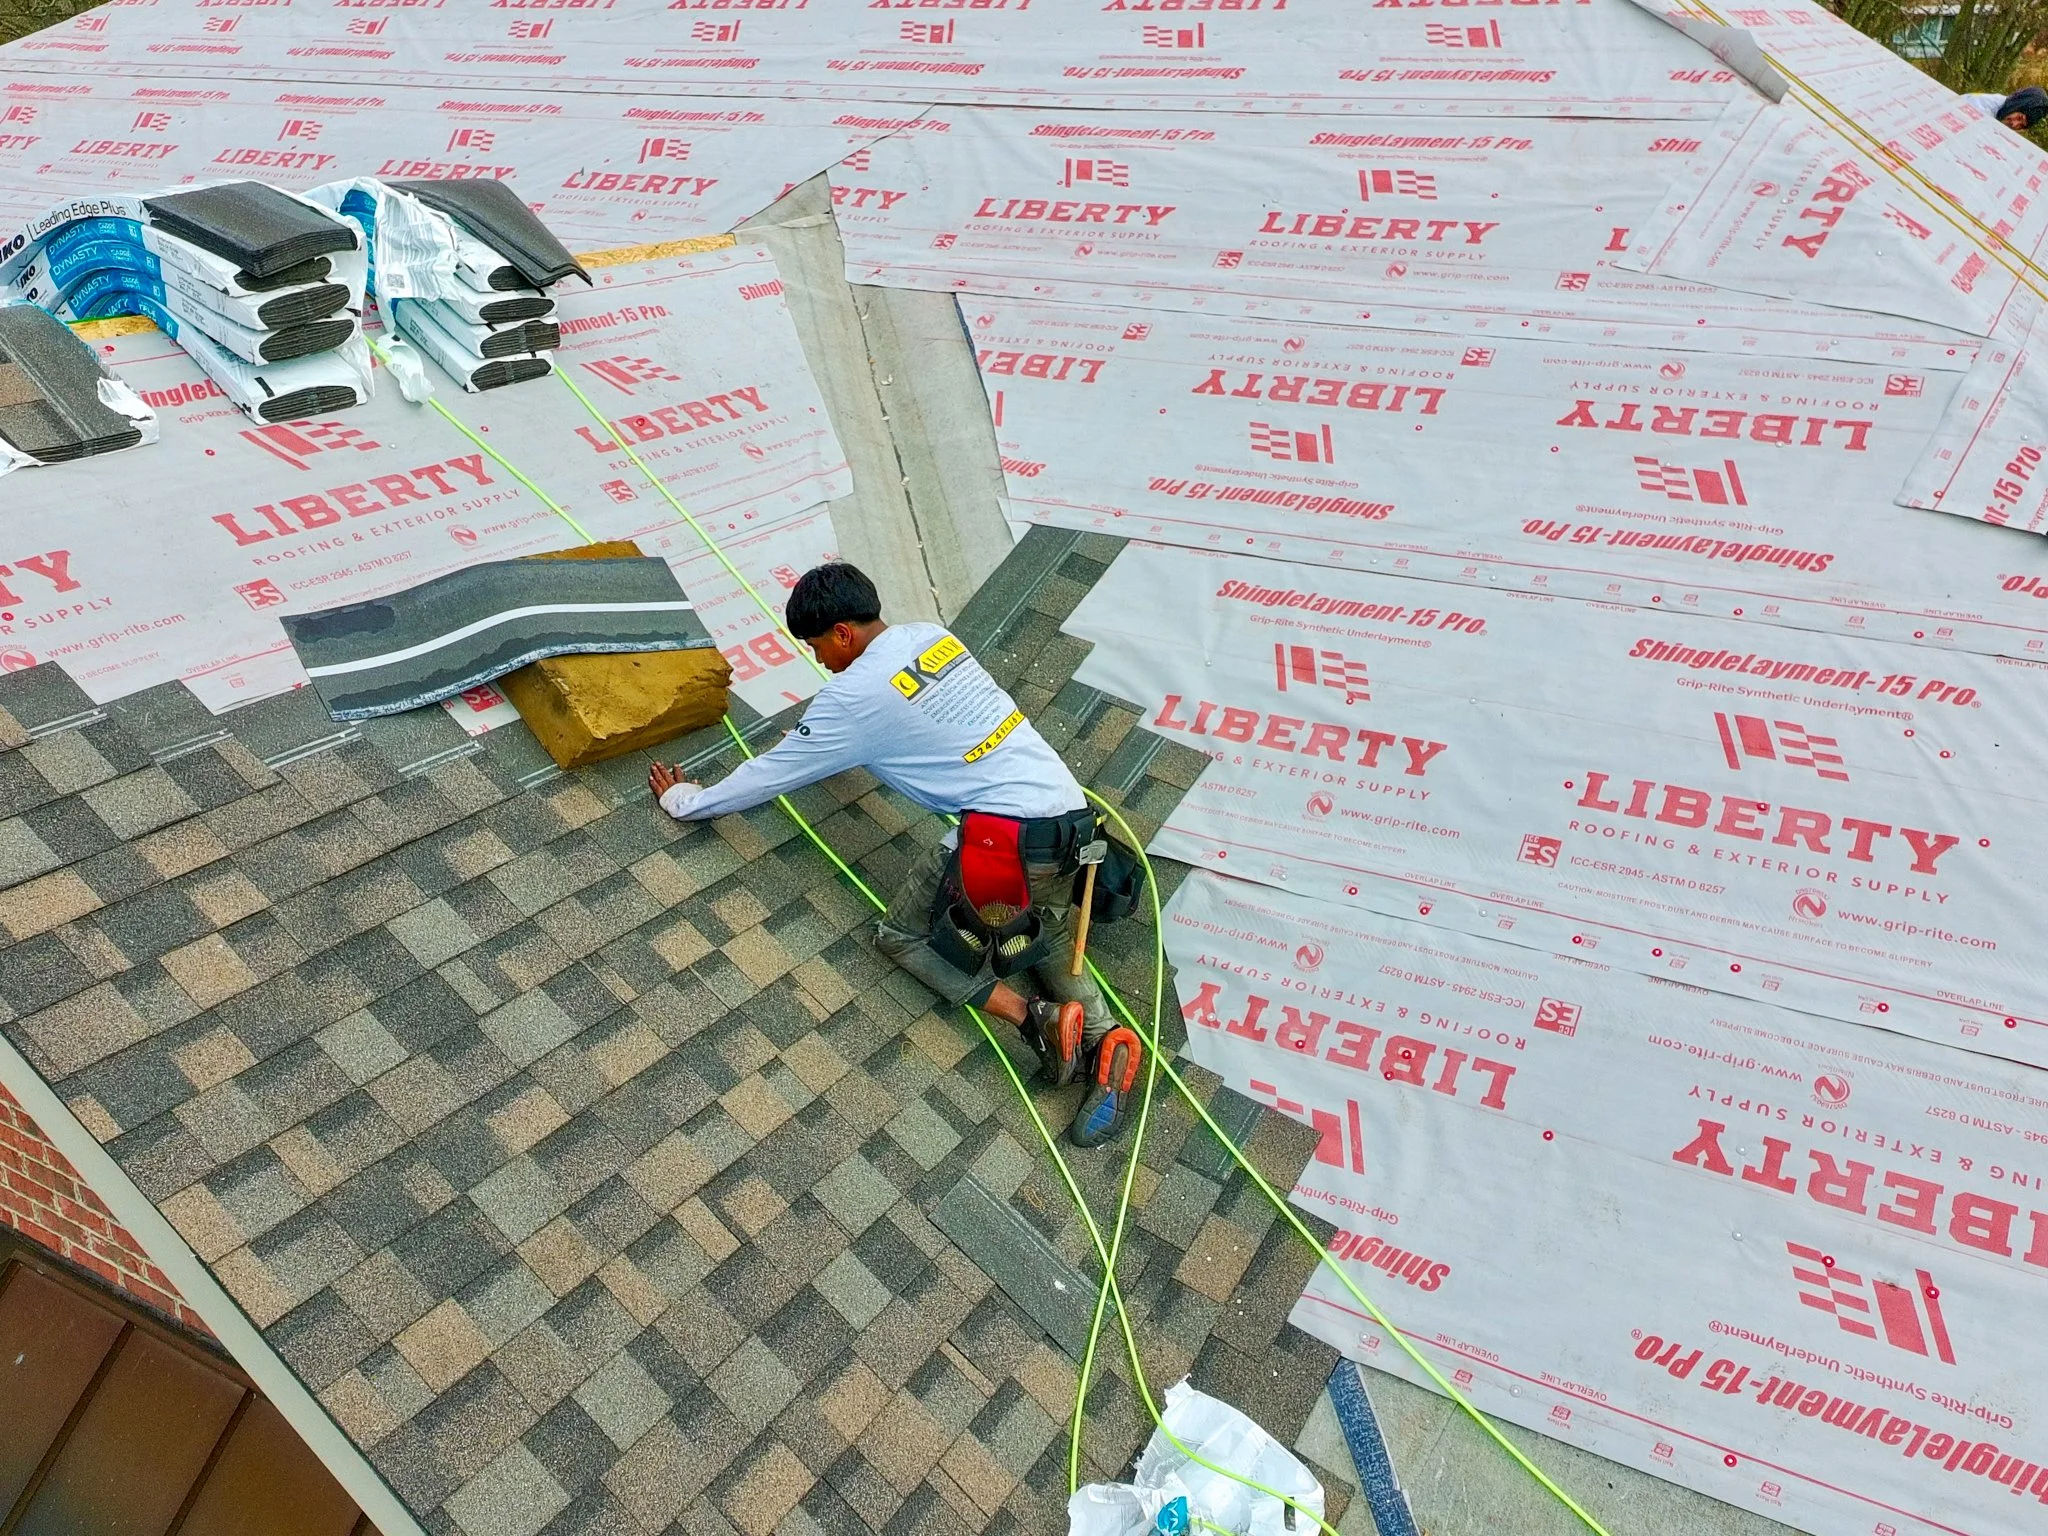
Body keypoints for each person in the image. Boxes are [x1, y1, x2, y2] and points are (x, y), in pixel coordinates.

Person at [649, 562, 1143, 1147]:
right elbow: (909, 728)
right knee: (1048, 926)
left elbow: (767, 777)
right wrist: (826, 745)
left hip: (1004, 842)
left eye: (816, 647)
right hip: (1070, 822)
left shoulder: (851, 699)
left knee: (902, 937)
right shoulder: (931, 637)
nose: (819, 661)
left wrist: (687, 801)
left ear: (841, 633)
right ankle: (1106, 1038)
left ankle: (1033, 1017)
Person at [1962, 85, 2048, 134]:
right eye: (2019, 118)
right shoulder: (1980, 107)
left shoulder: (1998, 113)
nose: (2014, 125)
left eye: (2021, 125)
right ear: (2017, 104)